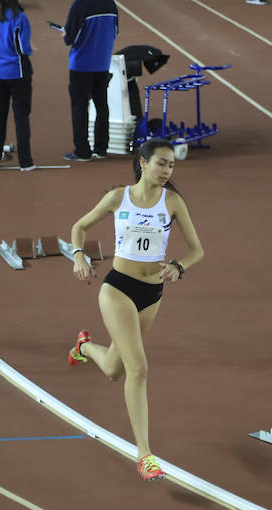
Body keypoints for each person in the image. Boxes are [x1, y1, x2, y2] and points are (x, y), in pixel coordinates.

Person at [67, 138, 204, 481]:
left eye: (171, 165)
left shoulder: (172, 202)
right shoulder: (118, 197)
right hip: (117, 289)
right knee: (138, 369)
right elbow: (79, 227)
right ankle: (145, 455)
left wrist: (179, 266)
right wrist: (79, 254)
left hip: (152, 293)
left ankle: (83, 346)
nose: (167, 170)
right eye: (161, 163)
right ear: (142, 163)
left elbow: (196, 250)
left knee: (115, 369)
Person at [62, 0, 118, 162]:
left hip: (81, 64)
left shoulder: (80, 5)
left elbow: (70, 37)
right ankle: (101, 148)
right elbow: (114, 31)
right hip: (102, 63)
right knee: (101, 105)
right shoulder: (110, 4)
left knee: (79, 107)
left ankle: (82, 150)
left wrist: (65, 34)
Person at [0, 0, 35, 171]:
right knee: (21, 116)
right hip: (17, 72)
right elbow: (23, 47)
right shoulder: (19, 18)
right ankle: (25, 162)